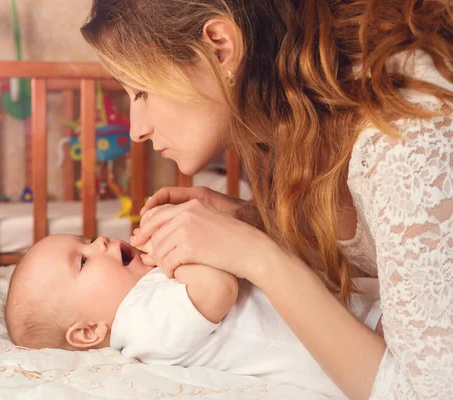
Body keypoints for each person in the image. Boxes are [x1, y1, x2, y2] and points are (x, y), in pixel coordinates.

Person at [79, 0, 453, 399]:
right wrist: (253, 219)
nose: (136, 130)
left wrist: (257, 255)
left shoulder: (405, 130)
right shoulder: (293, 122)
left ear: (219, 46)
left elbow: (427, 392)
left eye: (140, 92)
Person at [4, 234, 383, 398]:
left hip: (349, 318)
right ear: (88, 332)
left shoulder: (146, 292)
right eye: (83, 261)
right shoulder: (138, 324)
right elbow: (218, 289)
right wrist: (177, 252)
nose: (99, 242)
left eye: (85, 238)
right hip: (352, 353)